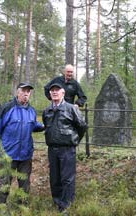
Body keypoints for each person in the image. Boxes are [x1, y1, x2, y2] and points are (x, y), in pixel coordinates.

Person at [0, 82, 44, 204]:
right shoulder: (7, 108)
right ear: (17, 92)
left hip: (26, 154)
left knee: (25, 184)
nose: (25, 94)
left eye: (28, 91)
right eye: (23, 91)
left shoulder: (31, 111)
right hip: (8, 154)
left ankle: (22, 206)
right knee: (5, 183)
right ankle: (0, 207)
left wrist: (45, 126)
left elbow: (34, 125)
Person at [42, 83, 87, 212]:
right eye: (52, 90)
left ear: (63, 93)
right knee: (54, 177)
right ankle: (57, 202)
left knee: (67, 178)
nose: (54, 92)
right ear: (50, 94)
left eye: (57, 90)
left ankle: (66, 205)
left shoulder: (71, 109)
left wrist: (74, 140)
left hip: (67, 149)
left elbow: (82, 126)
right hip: (52, 149)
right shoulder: (47, 111)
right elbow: (46, 126)